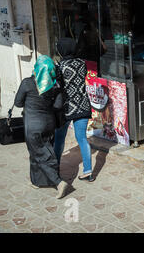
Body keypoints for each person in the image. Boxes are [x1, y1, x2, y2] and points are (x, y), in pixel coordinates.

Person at [14, 55, 69, 199]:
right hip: (49, 124)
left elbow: (18, 103)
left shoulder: (27, 83)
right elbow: (57, 106)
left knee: (39, 154)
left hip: (33, 125)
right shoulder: (55, 85)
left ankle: (58, 182)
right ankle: (37, 181)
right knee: (39, 151)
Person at [54, 37, 95, 182]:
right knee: (82, 138)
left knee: (59, 139)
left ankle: (55, 169)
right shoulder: (82, 63)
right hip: (82, 105)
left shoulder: (59, 67)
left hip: (65, 108)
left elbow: (57, 87)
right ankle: (88, 171)